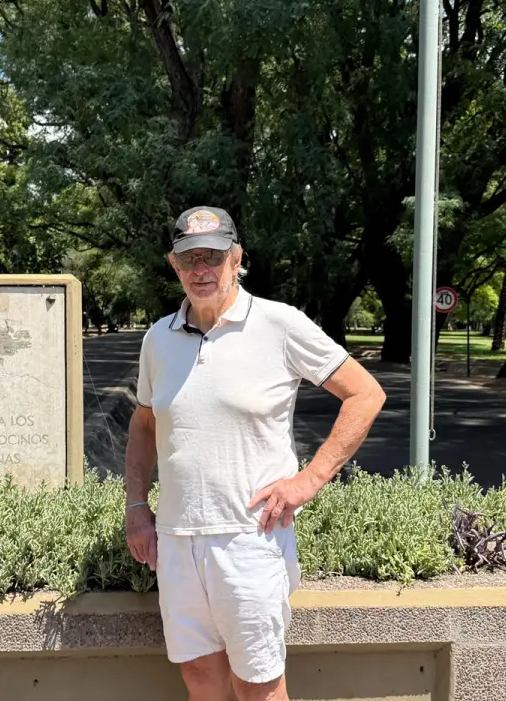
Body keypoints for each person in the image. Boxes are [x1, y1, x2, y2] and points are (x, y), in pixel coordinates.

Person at [124, 205, 387, 701]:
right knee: (199, 676)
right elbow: (144, 423)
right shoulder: (158, 338)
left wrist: (308, 480)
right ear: (174, 265)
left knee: (259, 685)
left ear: (237, 258)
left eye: (214, 258)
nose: (202, 270)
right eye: (190, 260)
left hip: (251, 539)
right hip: (177, 540)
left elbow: (365, 394)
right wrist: (137, 507)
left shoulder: (278, 323)